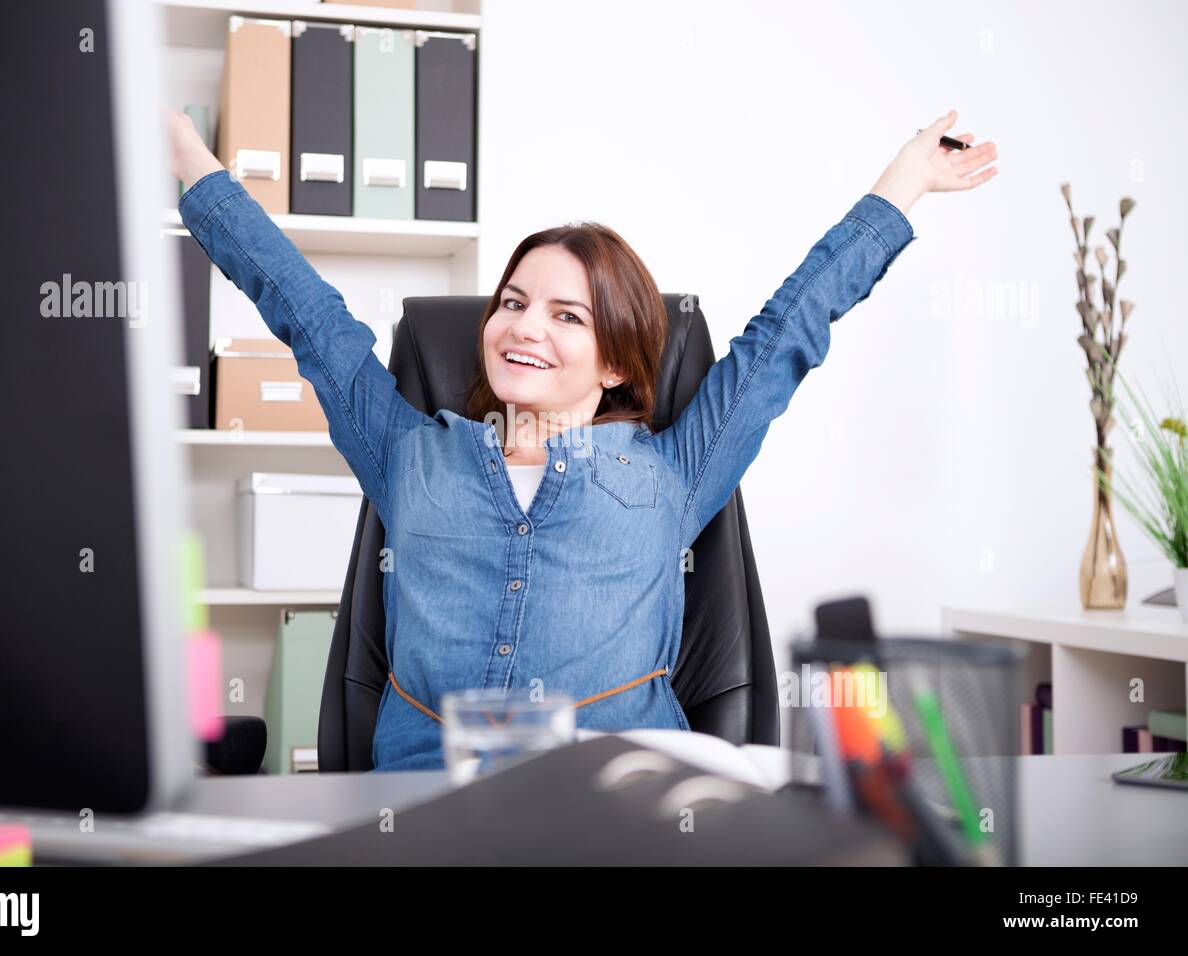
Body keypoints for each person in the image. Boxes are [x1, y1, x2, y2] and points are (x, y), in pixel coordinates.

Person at [167, 108, 997, 771]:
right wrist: (181, 151)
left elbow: (788, 330)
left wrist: (904, 185)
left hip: (615, 815)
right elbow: (307, 317)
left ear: (613, 365)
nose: (525, 327)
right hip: (427, 817)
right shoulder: (410, 454)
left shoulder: (673, 474)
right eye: (514, 302)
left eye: (568, 316)